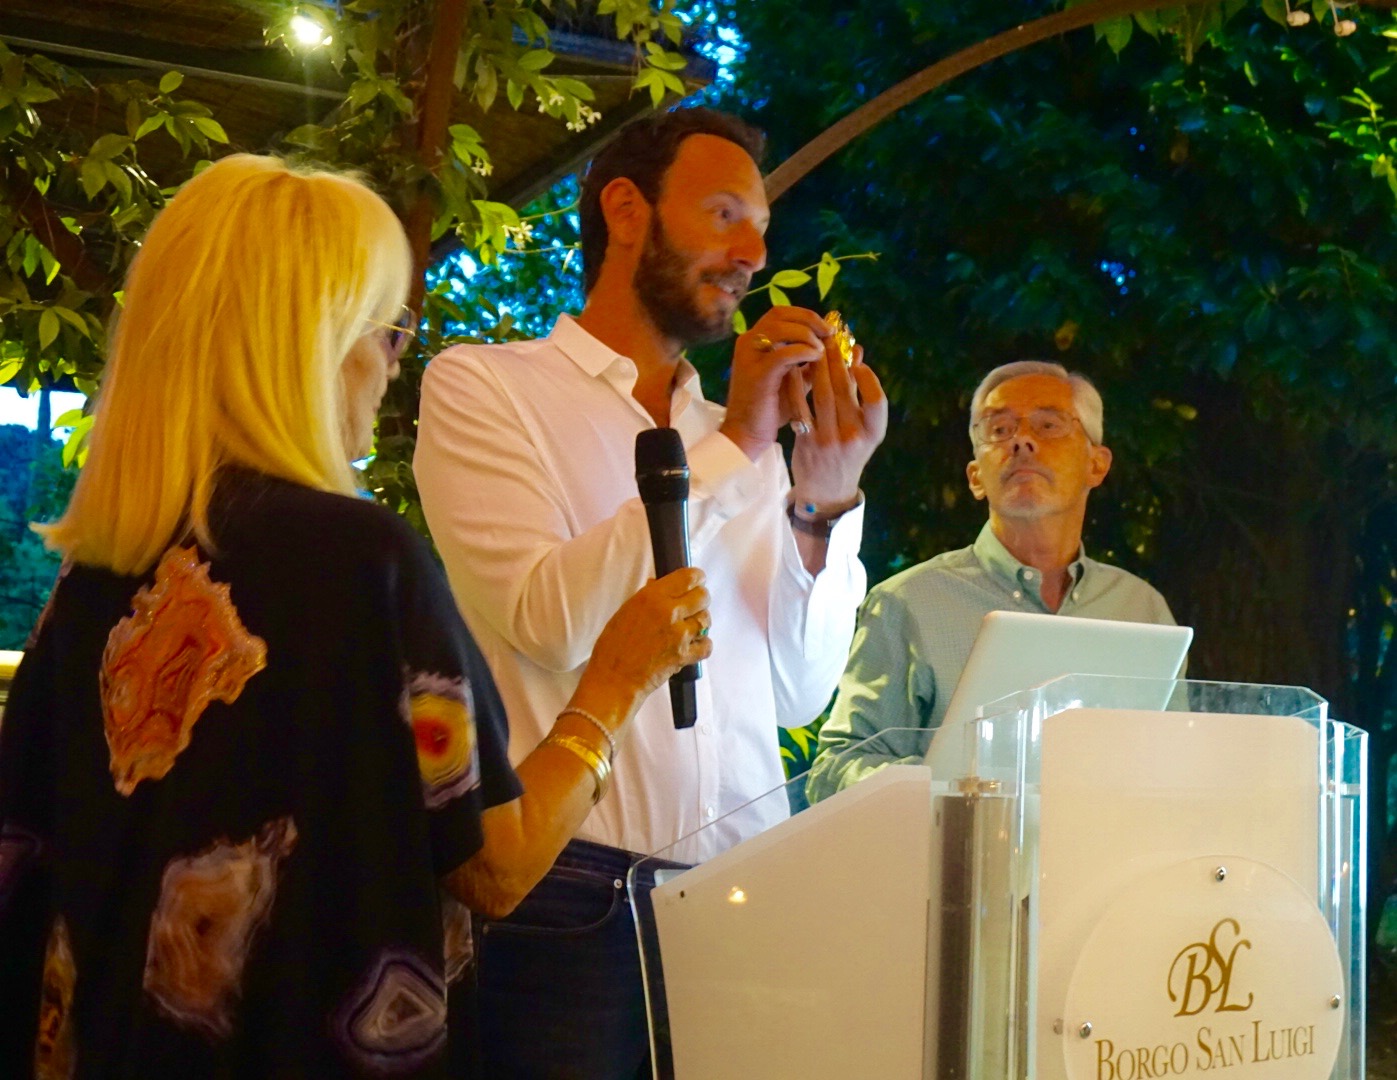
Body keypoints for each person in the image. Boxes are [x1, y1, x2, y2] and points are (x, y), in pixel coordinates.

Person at [0, 154, 712, 1079]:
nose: (389, 363)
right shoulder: (356, 563)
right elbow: (495, 865)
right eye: (388, 330)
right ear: (313, 341)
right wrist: (617, 679)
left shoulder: (89, 585)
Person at [413, 107, 887, 1077]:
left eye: (758, 226)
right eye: (722, 214)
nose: (753, 252)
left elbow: (797, 691)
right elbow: (543, 622)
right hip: (572, 899)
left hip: (750, 893)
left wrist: (824, 495)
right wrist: (737, 449)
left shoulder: (735, 437)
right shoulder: (485, 389)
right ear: (625, 210)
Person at [806, 360, 1177, 802]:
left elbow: (1174, 771)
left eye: (1048, 424)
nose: (1022, 440)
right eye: (999, 429)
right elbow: (833, 772)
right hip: (959, 863)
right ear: (976, 477)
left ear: (1097, 465)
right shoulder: (909, 603)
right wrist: (951, 789)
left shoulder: (1142, 611)